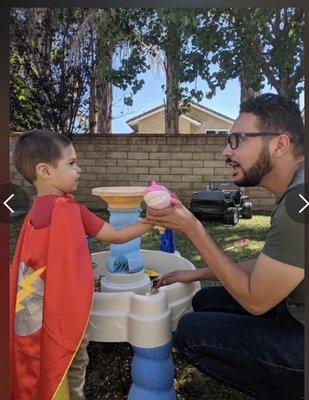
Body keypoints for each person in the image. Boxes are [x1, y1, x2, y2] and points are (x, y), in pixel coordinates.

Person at [146, 93, 304, 400]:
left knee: (191, 333)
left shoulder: (298, 206)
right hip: (296, 311)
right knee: (205, 300)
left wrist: (193, 228)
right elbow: (274, 265)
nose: (225, 151)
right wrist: (196, 274)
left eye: (237, 140)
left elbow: (256, 301)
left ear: (279, 144)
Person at [10, 130, 154, 400]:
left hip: (34, 315)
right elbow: (118, 235)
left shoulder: (33, 214)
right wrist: (150, 222)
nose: (79, 169)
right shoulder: (71, 211)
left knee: (43, 366)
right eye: (72, 163)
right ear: (45, 171)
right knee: (72, 366)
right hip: (66, 318)